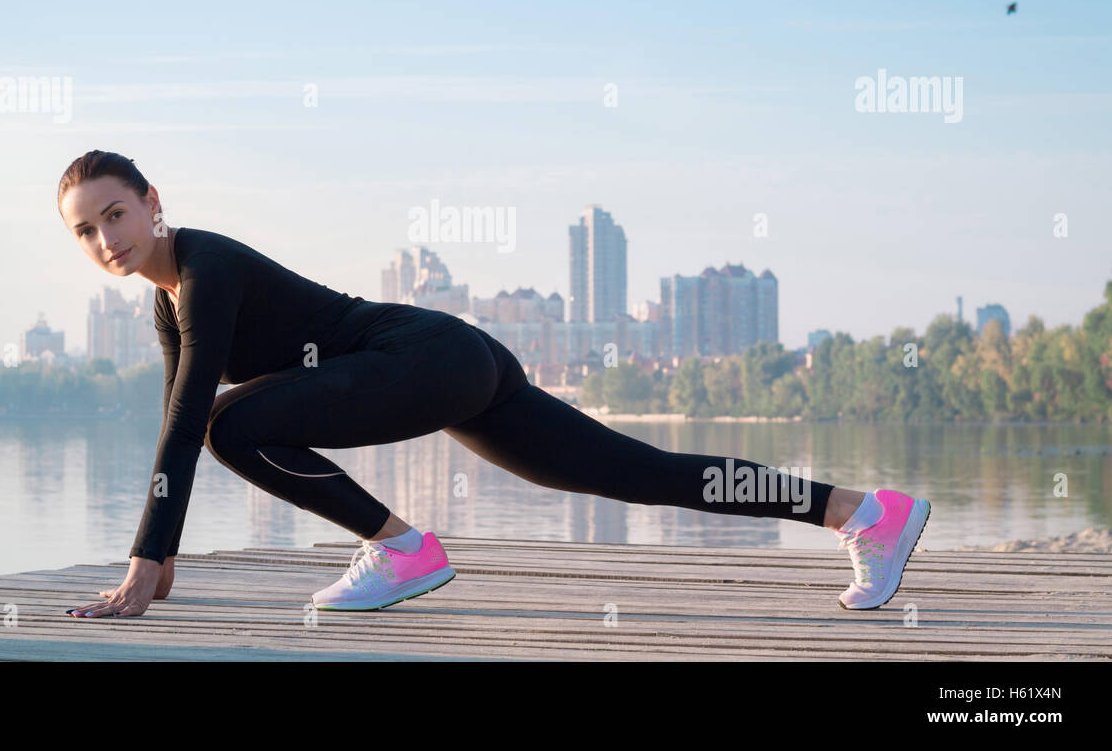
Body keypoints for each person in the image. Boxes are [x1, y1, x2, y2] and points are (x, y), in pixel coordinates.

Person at [56, 150, 931, 618]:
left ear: (152, 200)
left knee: (227, 426)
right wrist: (160, 556)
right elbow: (173, 420)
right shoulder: (169, 305)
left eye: (116, 213)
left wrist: (146, 561)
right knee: (633, 472)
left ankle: (403, 550)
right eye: (86, 232)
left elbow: (187, 429)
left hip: (420, 355)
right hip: (451, 362)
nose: (106, 239)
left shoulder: (207, 269)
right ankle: (862, 511)